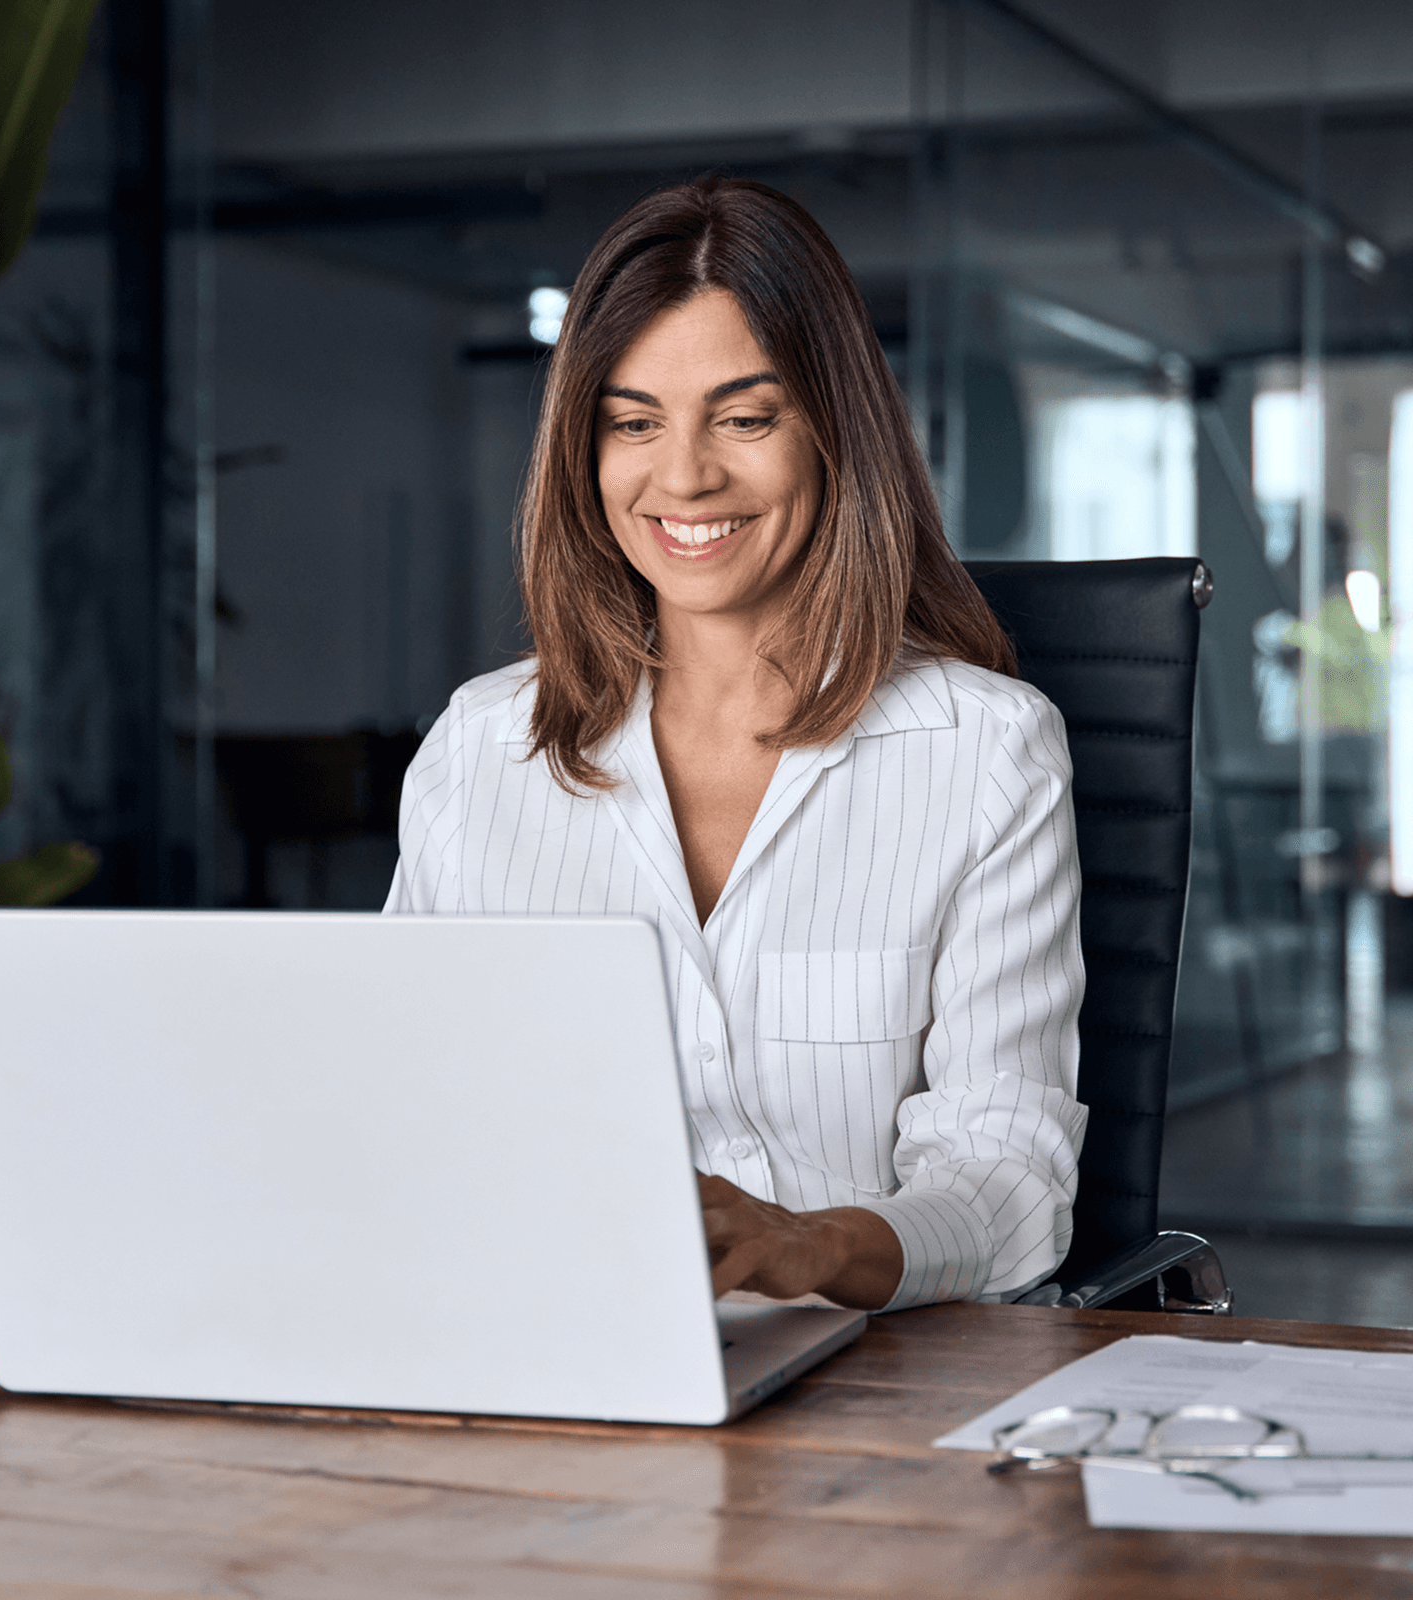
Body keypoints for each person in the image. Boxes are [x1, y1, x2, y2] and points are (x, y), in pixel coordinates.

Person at [386, 178, 1086, 1312]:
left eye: (745, 417)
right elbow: (399, 1111)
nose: (684, 476)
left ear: (830, 431)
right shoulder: (480, 751)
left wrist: (814, 1246)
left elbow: (1008, 1184)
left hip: (867, 1381)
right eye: (633, 421)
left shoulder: (985, 752)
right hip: (547, 1346)